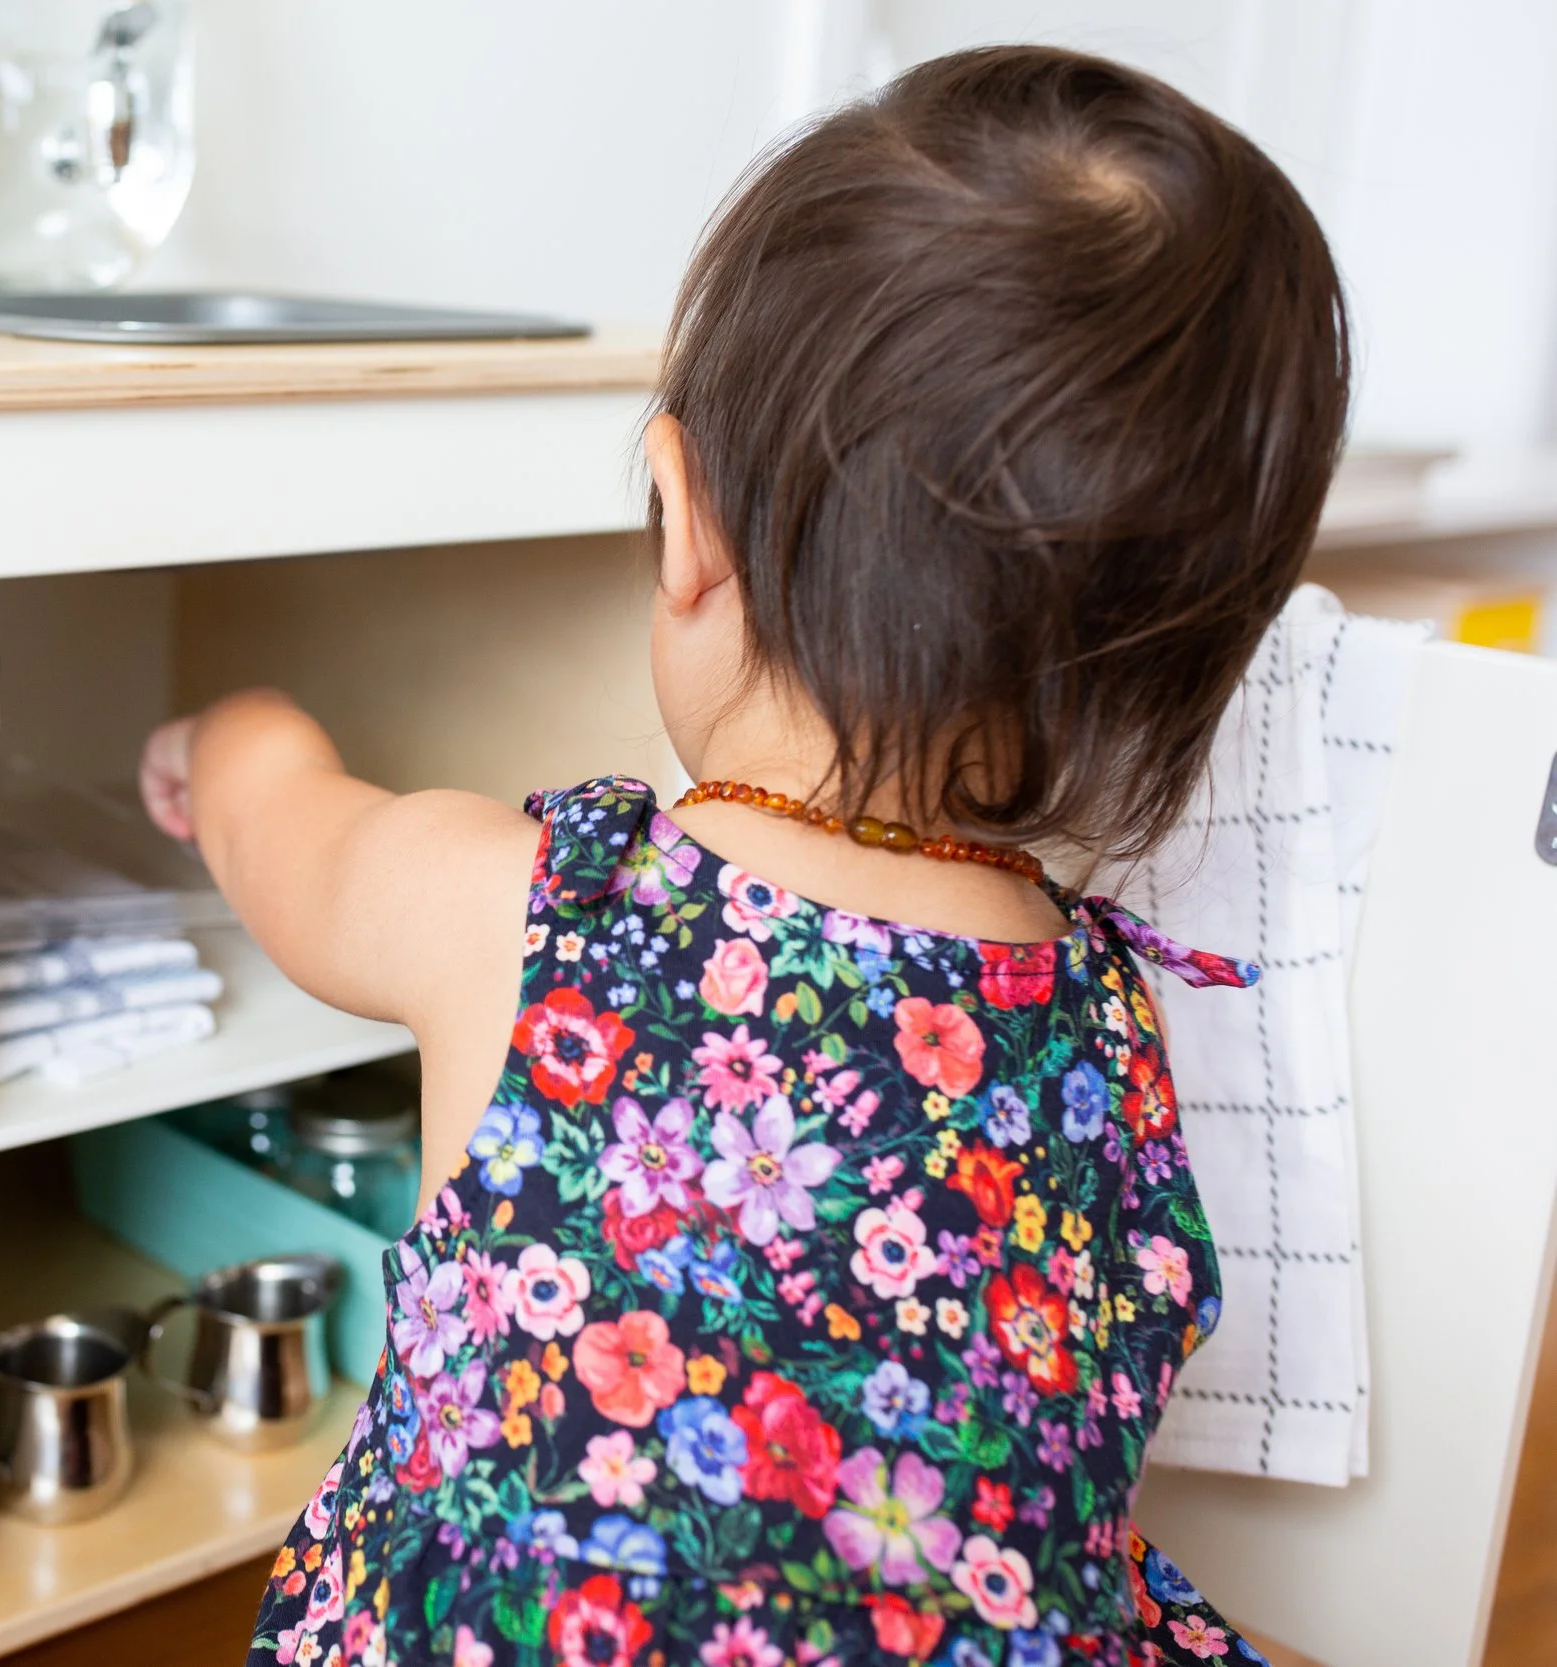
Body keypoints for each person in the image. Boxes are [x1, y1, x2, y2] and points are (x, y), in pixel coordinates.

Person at [139, 44, 1342, 1667]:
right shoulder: (1116, 1028)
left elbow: (291, 840)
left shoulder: (534, 909)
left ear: (683, 515)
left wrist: (227, 731)